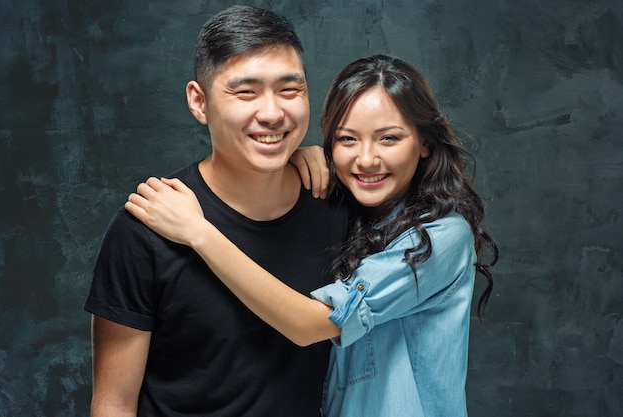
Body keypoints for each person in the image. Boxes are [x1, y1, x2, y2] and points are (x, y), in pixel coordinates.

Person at [126, 54, 499, 416]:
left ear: (424, 144)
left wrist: (198, 231)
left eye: (388, 139)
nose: (366, 159)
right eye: (347, 139)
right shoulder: (348, 214)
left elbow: (310, 325)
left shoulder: (441, 238)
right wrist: (288, 159)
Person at [84, 5, 348, 417]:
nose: (273, 113)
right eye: (246, 92)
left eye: (289, 90)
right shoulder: (145, 227)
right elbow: (114, 404)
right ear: (199, 101)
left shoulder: (336, 204)